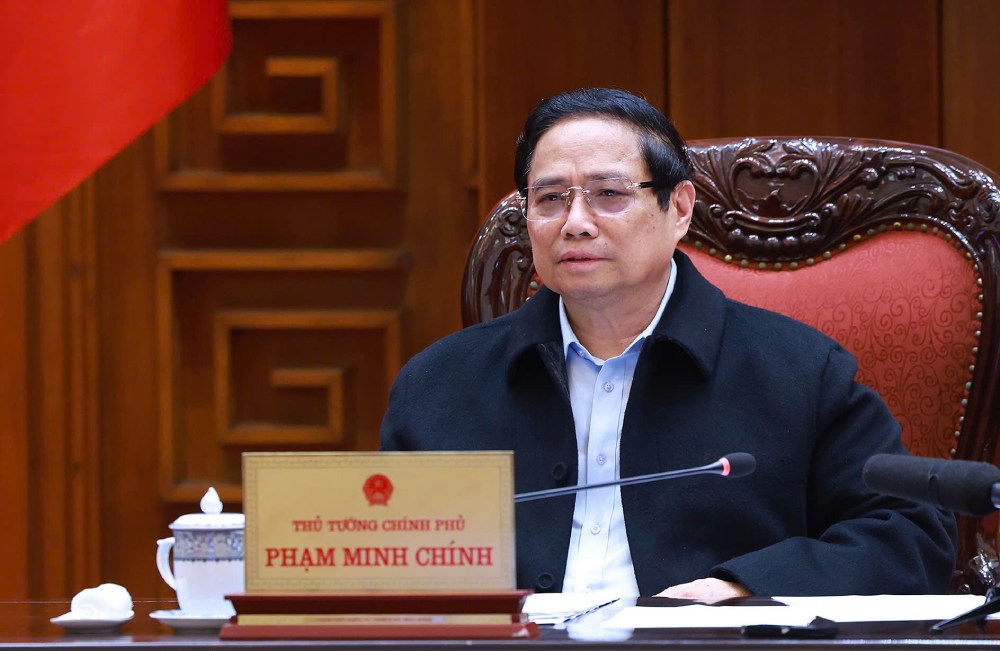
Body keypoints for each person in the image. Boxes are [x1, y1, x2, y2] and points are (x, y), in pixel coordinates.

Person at [380, 87, 956, 600]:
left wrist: (745, 585)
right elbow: (386, 558)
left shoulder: (799, 371)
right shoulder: (439, 384)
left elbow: (909, 533)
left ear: (678, 208)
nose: (574, 222)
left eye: (609, 193)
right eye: (550, 198)